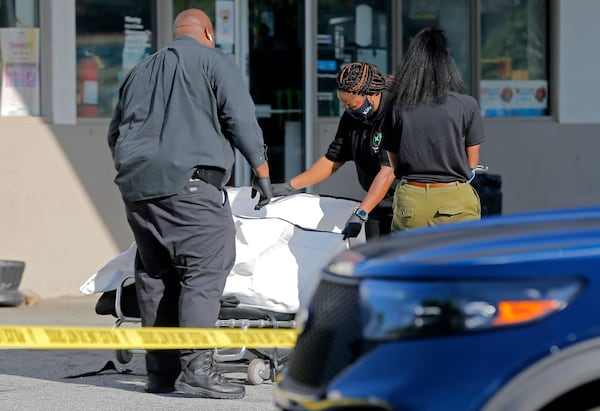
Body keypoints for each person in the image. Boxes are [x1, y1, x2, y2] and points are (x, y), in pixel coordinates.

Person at [107, 8, 272, 399]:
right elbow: (241, 120)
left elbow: (116, 132)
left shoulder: (139, 71)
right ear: (208, 34)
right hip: (191, 186)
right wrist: (262, 172)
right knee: (204, 270)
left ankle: (161, 372)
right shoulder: (214, 62)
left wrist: (134, 172)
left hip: (137, 191)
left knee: (156, 275)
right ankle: (198, 366)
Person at [271, 62, 397, 240]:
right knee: (376, 264)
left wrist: (361, 213)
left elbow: (388, 171)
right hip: (377, 205)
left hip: (403, 207)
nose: (346, 110)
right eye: (343, 105)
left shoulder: (394, 114)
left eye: (352, 105)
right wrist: (290, 186)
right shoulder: (352, 118)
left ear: (371, 95)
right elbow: (332, 160)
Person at [381, 26, 485, 231]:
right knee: (459, 262)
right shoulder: (466, 104)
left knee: (409, 262)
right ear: (447, 63)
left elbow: (395, 162)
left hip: (410, 201)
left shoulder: (396, 105)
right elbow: (472, 162)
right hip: (453, 199)